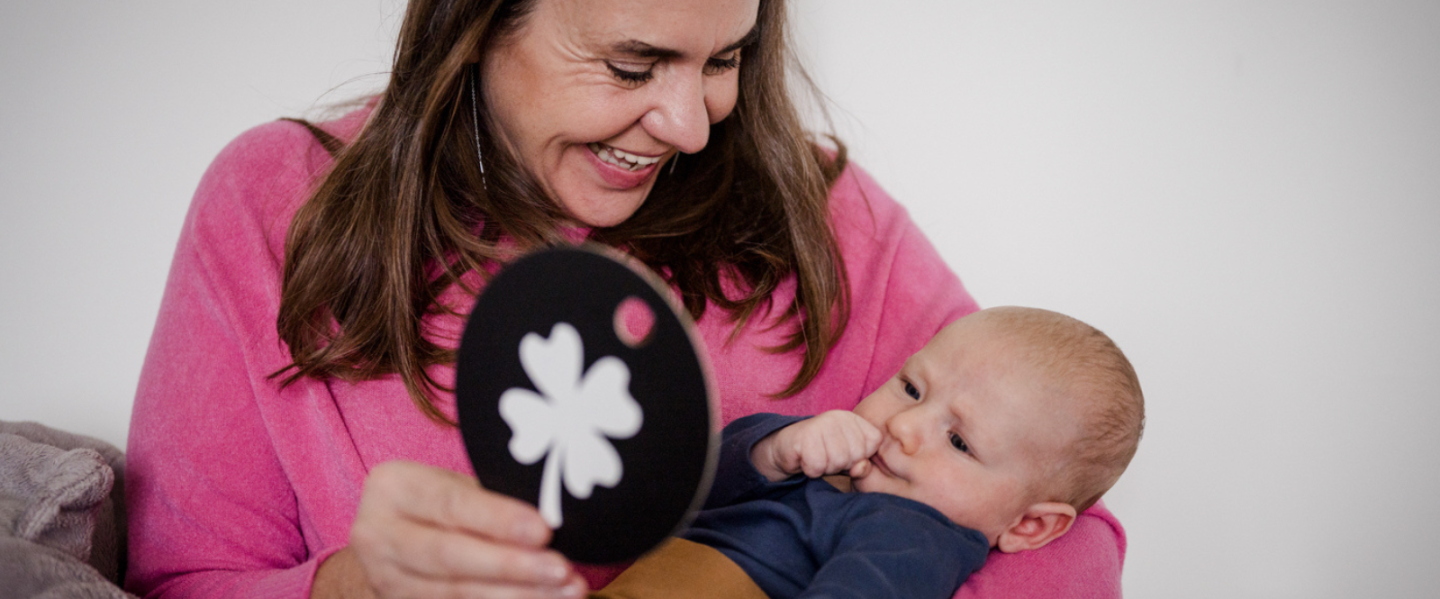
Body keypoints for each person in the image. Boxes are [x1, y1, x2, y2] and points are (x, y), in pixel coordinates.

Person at [124, 0, 1130, 598]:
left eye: (726, 58)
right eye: (632, 64)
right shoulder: (274, 204)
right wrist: (352, 586)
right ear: (477, 24)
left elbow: (1065, 529)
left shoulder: (825, 212)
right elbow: (177, 581)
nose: (692, 124)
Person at [589, 307, 1144, 599]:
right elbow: (682, 488)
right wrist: (774, 450)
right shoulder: (824, 449)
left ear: (1029, 526)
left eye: (958, 442)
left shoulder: (913, 535)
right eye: (910, 388)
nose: (904, 426)